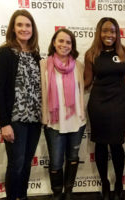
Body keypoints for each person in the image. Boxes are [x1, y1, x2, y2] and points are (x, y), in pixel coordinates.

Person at [0, 9, 41, 200]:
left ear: (33, 29)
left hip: (35, 119)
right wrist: (4, 123)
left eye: (28, 25)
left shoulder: (36, 55)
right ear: (13, 27)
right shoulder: (3, 54)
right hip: (15, 120)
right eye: (19, 25)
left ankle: (22, 196)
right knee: (16, 163)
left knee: (27, 163)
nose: (24, 29)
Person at [84, 17, 125, 200]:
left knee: (116, 144)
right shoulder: (91, 54)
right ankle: (105, 183)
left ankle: (119, 183)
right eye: (105, 30)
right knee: (100, 144)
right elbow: (87, 82)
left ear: (117, 33)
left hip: (119, 104)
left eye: (113, 31)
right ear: (99, 32)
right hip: (98, 104)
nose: (109, 34)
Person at [41, 28, 86, 200]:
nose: (64, 45)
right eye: (61, 41)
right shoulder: (44, 64)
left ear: (72, 45)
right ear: (54, 42)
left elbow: (82, 90)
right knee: (56, 161)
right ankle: (57, 193)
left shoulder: (79, 66)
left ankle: (68, 192)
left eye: (68, 42)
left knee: (73, 156)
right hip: (54, 122)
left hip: (76, 121)